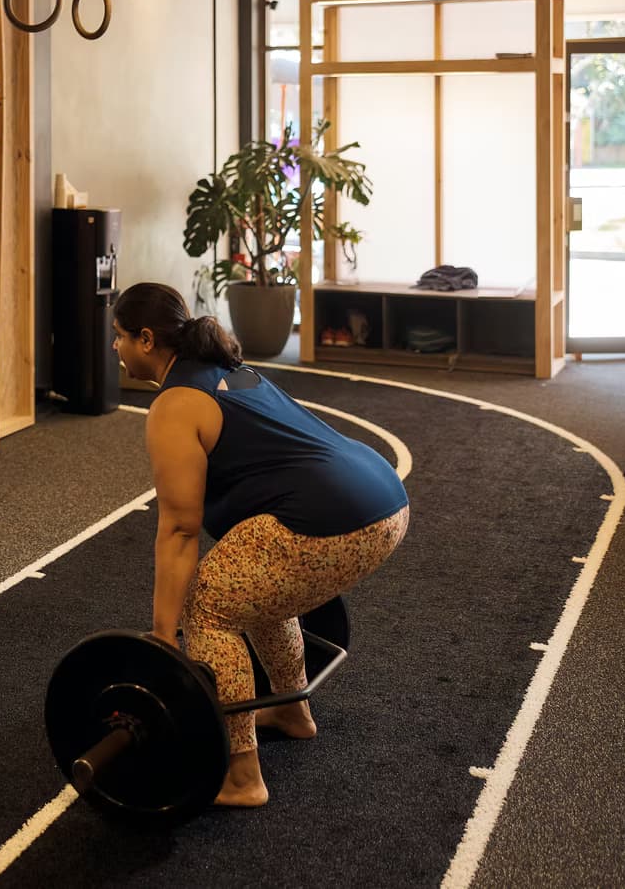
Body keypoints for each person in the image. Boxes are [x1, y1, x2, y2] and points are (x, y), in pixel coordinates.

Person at [110, 283, 409, 807]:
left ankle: (242, 776)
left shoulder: (176, 404)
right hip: (386, 502)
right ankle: (292, 712)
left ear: (147, 339)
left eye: (120, 338)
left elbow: (180, 529)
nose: (115, 348)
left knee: (210, 606)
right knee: (252, 579)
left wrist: (163, 638)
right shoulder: (231, 368)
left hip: (335, 520)